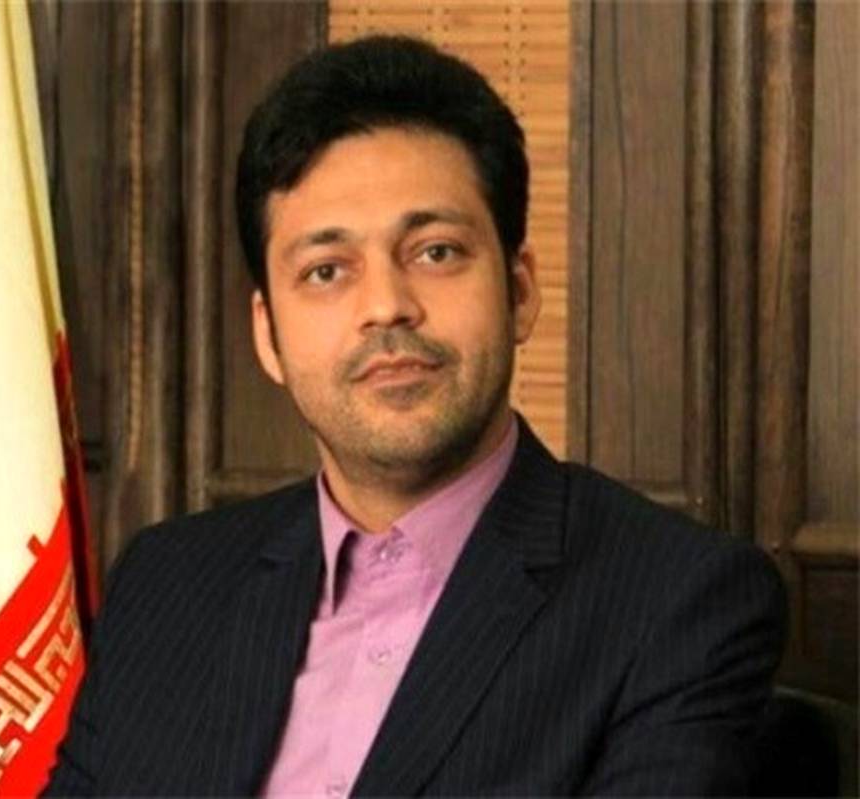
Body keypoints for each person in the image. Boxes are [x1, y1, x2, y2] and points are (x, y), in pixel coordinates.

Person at [45, 35, 785, 796]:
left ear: (520, 291)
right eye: (326, 271)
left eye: (435, 252)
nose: (386, 305)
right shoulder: (167, 583)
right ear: (268, 335)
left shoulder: (677, 600)